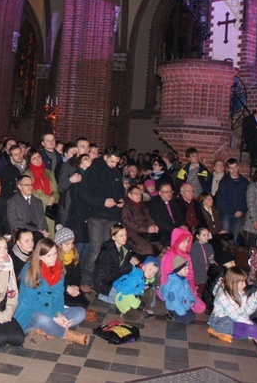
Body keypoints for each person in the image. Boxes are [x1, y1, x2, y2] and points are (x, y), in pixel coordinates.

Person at [14, 238, 88, 345]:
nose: (53, 258)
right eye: (48, 256)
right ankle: (66, 334)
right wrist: (53, 317)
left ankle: (45, 330)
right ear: (39, 256)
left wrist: (58, 314)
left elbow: (58, 295)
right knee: (43, 319)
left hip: (52, 309)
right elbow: (33, 302)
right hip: (31, 311)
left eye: (54, 254)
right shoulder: (29, 270)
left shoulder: (59, 269)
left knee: (80, 313)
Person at [79, 146, 125, 289]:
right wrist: (103, 202)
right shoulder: (93, 170)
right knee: (95, 250)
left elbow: (120, 190)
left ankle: (101, 279)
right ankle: (86, 280)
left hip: (111, 216)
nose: (114, 165)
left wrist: (121, 200)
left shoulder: (116, 172)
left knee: (107, 251)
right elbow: (84, 194)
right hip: (96, 215)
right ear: (105, 156)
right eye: (112, 161)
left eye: (117, 162)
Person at [159, 227, 205, 313]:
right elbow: (166, 276)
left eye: (188, 241)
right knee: (181, 306)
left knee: (201, 307)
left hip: (185, 286)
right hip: (172, 286)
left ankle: (187, 301)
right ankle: (176, 303)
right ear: (176, 241)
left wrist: (191, 286)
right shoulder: (169, 255)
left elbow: (190, 274)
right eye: (183, 241)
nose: (186, 244)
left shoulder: (187, 256)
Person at [24, 151, 59, 237]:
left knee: (50, 236)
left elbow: (55, 190)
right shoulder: (27, 174)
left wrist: (54, 197)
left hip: (50, 209)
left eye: (39, 157)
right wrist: (48, 199)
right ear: (29, 161)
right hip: (36, 209)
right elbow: (30, 192)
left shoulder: (49, 172)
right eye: (34, 158)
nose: (37, 160)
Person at [215, 158, 249, 244]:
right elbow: (221, 200)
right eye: (231, 168)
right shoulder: (224, 182)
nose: (234, 170)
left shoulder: (244, 182)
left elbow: (246, 199)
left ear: (238, 167)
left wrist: (242, 210)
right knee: (225, 239)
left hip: (239, 214)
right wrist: (234, 211)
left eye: (235, 167)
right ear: (227, 169)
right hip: (226, 214)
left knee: (234, 238)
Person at [121, 184, 159, 259]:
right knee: (146, 247)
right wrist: (146, 229)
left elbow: (149, 218)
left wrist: (153, 226)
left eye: (140, 194)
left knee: (160, 245)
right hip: (133, 233)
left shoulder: (143, 206)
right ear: (129, 195)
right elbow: (128, 222)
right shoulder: (125, 207)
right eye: (136, 193)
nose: (139, 195)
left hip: (146, 232)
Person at [6, 175, 48, 241]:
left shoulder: (38, 202)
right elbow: (14, 224)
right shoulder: (12, 202)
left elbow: (43, 221)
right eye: (26, 185)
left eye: (31, 185)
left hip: (39, 234)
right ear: (19, 186)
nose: (30, 187)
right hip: (22, 234)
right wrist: (37, 231)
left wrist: (44, 231)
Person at [145, 181, 185, 247]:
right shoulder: (154, 204)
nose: (170, 194)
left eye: (171, 191)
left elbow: (179, 216)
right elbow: (160, 222)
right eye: (167, 192)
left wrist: (182, 225)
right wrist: (176, 229)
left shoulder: (173, 202)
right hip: (163, 233)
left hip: (176, 230)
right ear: (160, 193)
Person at [161, 256, 196, 323]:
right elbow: (174, 300)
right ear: (178, 270)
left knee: (192, 316)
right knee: (186, 319)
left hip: (184, 305)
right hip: (175, 308)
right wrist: (181, 311)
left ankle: (181, 313)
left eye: (188, 268)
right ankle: (170, 313)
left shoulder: (184, 280)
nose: (188, 271)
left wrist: (192, 300)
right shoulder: (174, 284)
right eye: (185, 269)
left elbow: (189, 292)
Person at [190, 227, 215, 300]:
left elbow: (211, 259)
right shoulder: (194, 248)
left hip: (208, 275)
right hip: (199, 276)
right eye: (204, 235)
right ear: (198, 236)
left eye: (207, 235)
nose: (206, 237)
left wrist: (213, 268)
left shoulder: (209, 247)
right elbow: (194, 263)